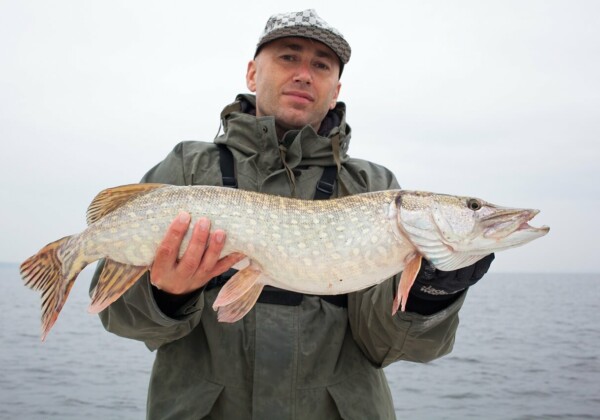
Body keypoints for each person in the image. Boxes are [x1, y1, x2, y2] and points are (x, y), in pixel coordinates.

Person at [92, 9, 494, 419]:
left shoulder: (374, 186)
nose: (304, 74)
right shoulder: (188, 167)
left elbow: (390, 345)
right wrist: (166, 295)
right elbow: (122, 318)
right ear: (252, 73)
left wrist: (430, 295)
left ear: (335, 89)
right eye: (289, 57)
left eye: (321, 65)